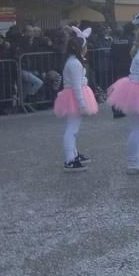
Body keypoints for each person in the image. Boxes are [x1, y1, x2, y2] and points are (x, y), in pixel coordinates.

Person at [106, 21, 139, 174]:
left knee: (138, 128)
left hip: (138, 90)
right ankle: (133, 161)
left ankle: (135, 159)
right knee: (138, 129)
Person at [54, 27, 99, 172]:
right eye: (85, 47)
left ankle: (73, 155)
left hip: (72, 96)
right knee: (72, 129)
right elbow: (76, 86)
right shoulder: (75, 63)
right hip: (73, 97)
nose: (87, 49)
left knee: (72, 128)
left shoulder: (73, 62)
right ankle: (69, 159)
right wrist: (82, 105)